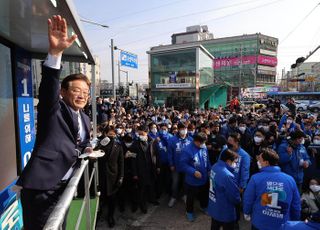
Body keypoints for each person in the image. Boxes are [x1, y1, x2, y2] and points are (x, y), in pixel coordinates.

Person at [16, 15, 92, 230]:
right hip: (43, 188)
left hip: (64, 184)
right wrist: (56, 53)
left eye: (86, 92)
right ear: (63, 92)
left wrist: (86, 149)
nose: (82, 95)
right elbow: (48, 89)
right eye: (76, 90)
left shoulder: (85, 118)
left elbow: (74, 143)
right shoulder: (54, 109)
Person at [243, 148, 301, 230]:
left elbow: (248, 199)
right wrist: (295, 220)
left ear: (266, 162)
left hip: (260, 223)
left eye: (260, 159)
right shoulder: (290, 180)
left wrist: (246, 212)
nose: (258, 162)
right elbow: (296, 204)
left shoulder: (255, 178)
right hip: (282, 224)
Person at [95, 126, 124, 228]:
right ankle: (98, 215)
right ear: (106, 134)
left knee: (112, 199)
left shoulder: (118, 146)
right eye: (110, 134)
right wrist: (100, 145)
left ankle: (111, 216)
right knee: (101, 198)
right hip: (101, 176)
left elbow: (121, 163)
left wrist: (121, 177)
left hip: (113, 176)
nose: (112, 136)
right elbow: (94, 154)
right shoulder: (101, 144)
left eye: (113, 134)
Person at [180, 132, 211, 222]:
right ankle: (189, 212)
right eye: (202, 143)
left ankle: (204, 206)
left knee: (204, 194)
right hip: (192, 180)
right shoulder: (187, 150)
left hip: (204, 177)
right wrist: (193, 172)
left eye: (204, 142)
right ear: (196, 141)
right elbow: (183, 165)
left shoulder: (203, 147)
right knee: (191, 197)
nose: (204, 144)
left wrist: (209, 169)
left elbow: (207, 159)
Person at [208, 149, 241, 230]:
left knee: (214, 226)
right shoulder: (227, 176)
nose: (236, 164)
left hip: (214, 205)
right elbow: (234, 197)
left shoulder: (215, 166)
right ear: (229, 161)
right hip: (225, 210)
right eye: (235, 162)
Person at [131, 125, 160, 214]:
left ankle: (152, 199)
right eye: (139, 134)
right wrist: (135, 173)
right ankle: (143, 205)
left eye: (142, 134)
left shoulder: (153, 142)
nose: (140, 135)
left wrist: (158, 166)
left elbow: (157, 155)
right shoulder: (135, 144)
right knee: (142, 188)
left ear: (146, 133)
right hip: (141, 169)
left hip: (151, 168)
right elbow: (133, 159)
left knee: (151, 185)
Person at [167, 122, 193, 207]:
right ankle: (173, 197)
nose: (184, 130)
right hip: (176, 166)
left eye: (185, 129)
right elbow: (170, 153)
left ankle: (184, 195)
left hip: (187, 166)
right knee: (175, 182)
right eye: (182, 129)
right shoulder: (172, 140)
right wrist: (171, 164)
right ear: (178, 130)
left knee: (186, 182)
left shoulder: (191, 140)